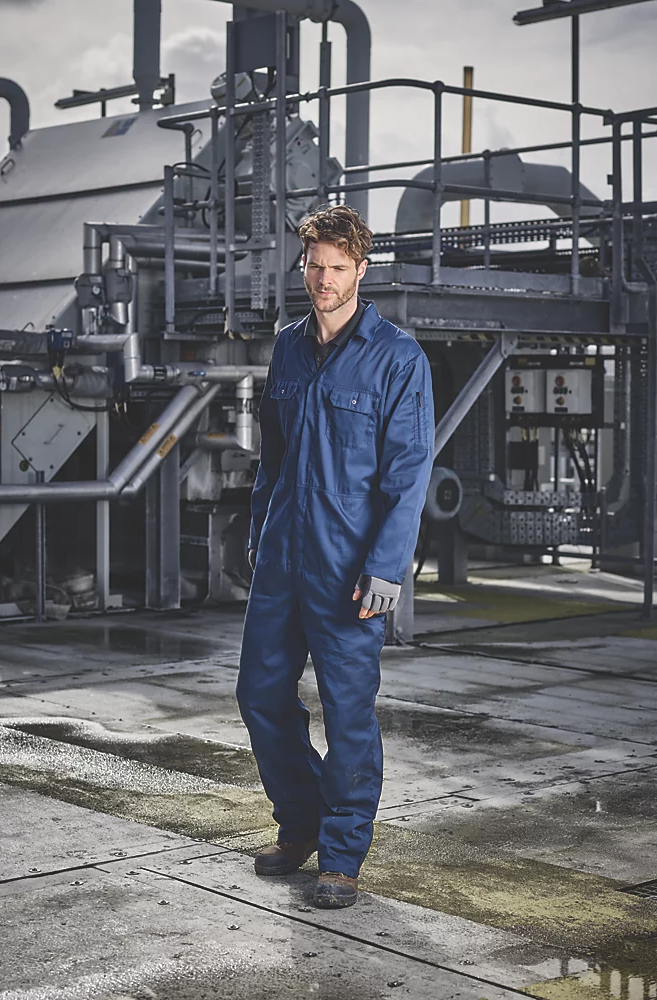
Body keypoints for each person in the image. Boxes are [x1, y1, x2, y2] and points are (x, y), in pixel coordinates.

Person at [236, 205, 435, 909]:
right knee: (259, 694)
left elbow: (408, 475)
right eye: (315, 266)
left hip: (351, 567)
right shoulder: (288, 349)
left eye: (337, 268)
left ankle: (342, 854)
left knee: (347, 711)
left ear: (361, 270)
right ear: (304, 266)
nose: (324, 279)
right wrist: (258, 534)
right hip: (283, 556)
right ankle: (301, 824)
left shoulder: (398, 358)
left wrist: (386, 568)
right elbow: (273, 459)